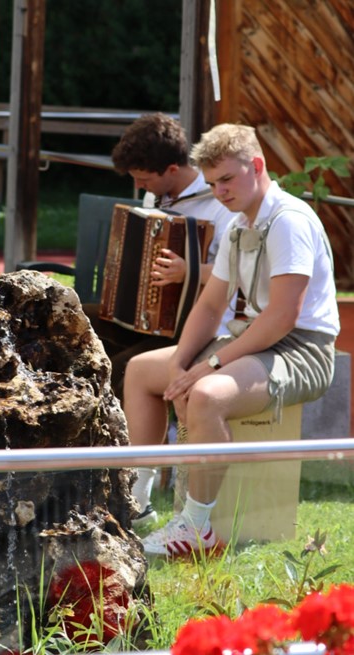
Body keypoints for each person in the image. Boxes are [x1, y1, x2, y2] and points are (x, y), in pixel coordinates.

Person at [123, 123, 339, 558]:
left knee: (207, 395)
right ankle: (135, 503)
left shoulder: (289, 220)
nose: (219, 192)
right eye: (211, 184)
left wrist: (209, 367)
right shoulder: (241, 224)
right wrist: (181, 363)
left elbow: (283, 316)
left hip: (303, 350)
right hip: (256, 340)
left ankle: (196, 526)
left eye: (226, 180)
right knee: (142, 370)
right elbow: (210, 304)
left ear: (256, 166)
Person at [83, 113, 236, 520]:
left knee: (119, 368)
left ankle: (133, 493)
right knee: (79, 332)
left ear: (171, 169)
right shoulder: (159, 199)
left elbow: (236, 275)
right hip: (152, 319)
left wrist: (188, 272)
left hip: (200, 326)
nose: (139, 187)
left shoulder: (222, 206)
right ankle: (89, 468)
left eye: (144, 178)